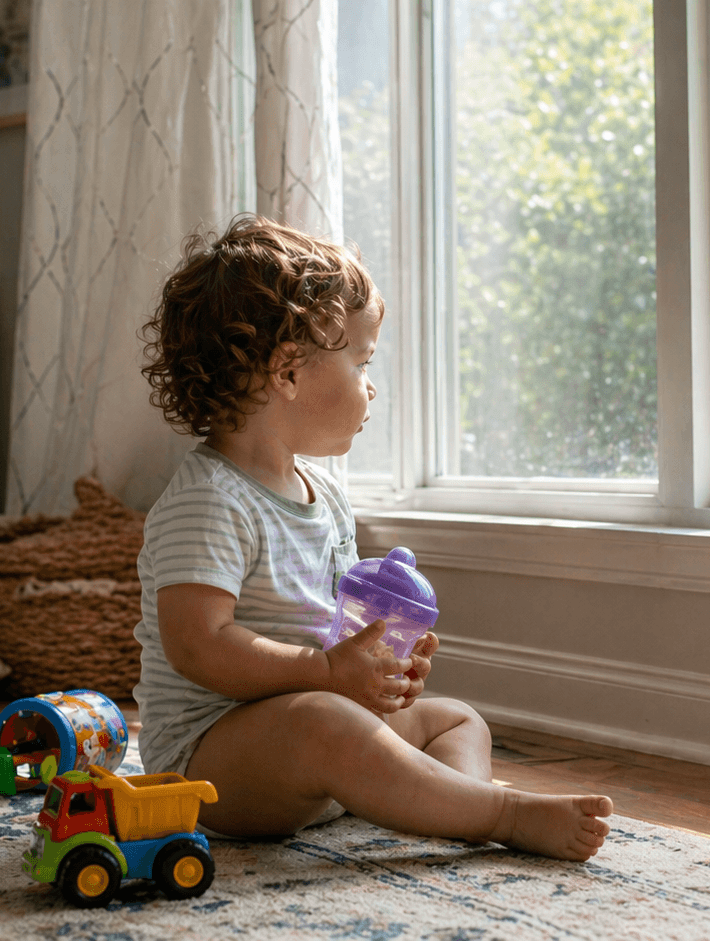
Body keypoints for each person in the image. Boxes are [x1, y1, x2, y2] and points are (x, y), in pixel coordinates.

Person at [132, 215, 613, 860]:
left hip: (322, 721)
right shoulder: (208, 501)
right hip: (214, 764)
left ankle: (446, 806)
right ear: (289, 372)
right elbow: (198, 645)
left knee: (458, 717)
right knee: (327, 724)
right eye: (361, 362)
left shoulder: (324, 494)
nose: (371, 384)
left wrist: (376, 665)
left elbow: (332, 622)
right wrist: (328, 673)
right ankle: (496, 812)